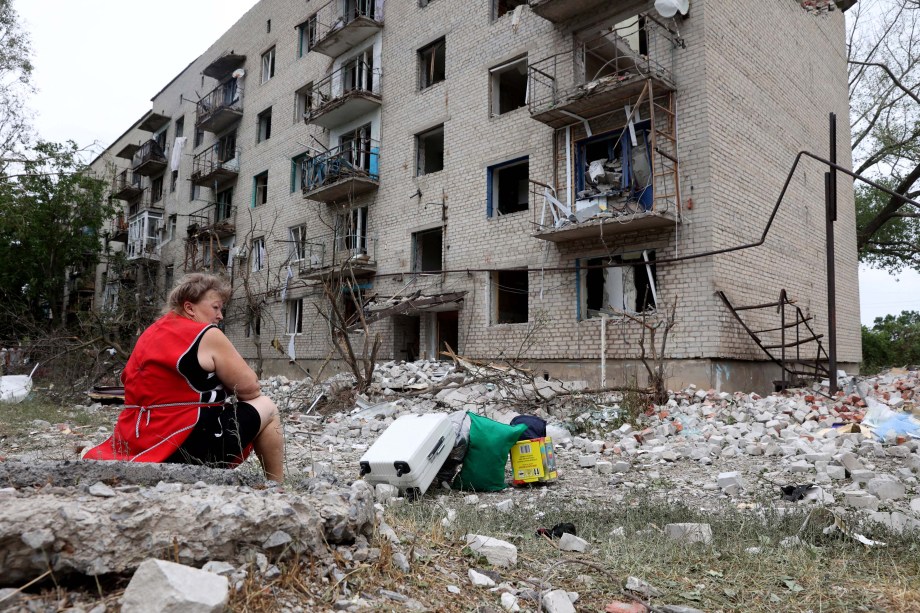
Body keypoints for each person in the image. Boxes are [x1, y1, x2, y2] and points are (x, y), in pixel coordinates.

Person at [84, 273, 283, 482]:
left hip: (138, 444)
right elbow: (250, 389)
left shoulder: (149, 333)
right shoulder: (207, 334)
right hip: (188, 448)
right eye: (216, 307)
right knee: (266, 405)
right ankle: (277, 486)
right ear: (190, 308)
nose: (220, 316)